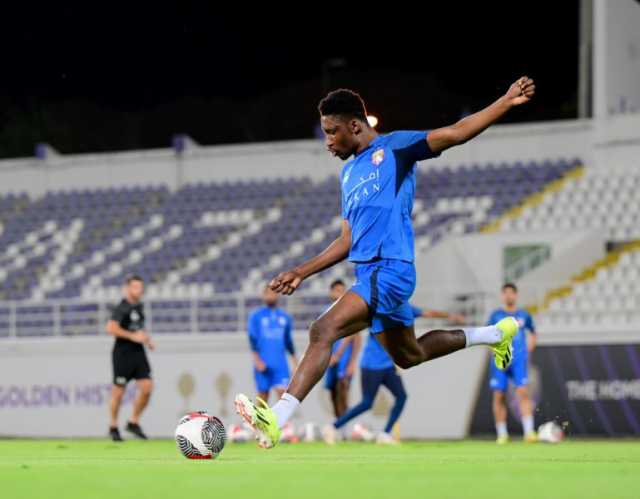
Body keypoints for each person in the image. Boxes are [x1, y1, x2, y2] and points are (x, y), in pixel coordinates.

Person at [235, 76, 536, 448]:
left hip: (390, 271)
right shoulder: (348, 174)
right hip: (370, 274)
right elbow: (347, 240)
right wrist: (301, 271)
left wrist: (505, 101)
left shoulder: (397, 149)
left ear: (355, 126)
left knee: (322, 330)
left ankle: (277, 417)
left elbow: (456, 132)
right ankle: (494, 334)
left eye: (332, 132)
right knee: (410, 355)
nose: (327, 141)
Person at [323, 305, 465, 445]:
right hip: (371, 365)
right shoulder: (380, 310)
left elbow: (429, 313)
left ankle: (385, 434)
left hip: (387, 366)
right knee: (367, 403)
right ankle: (333, 427)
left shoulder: (404, 307)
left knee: (401, 397)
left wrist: (450, 316)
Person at [106, 275, 155, 441]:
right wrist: (131, 336)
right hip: (122, 353)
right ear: (127, 288)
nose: (138, 290)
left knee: (147, 387)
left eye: (140, 287)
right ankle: (113, 426)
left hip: (138, 352)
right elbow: (111, 328)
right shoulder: (122, 307)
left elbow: (139, 329)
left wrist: (147, 340)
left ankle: (133, 421)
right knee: (118, 392)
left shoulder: (139, 307)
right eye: (135, 287)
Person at [488, 283, 537, 444]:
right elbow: (487, 336)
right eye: (506, 293)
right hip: (500, 361)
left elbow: (533, 333)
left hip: (518, 361)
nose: (509, 296)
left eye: (511, 293)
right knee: (498, 395)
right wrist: (496, 353)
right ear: (502, 296)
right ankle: (502, 434)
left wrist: (528, 350)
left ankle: (529, 432)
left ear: (516, 295)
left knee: (523, 393)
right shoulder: (496, 315)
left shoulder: (524, 315)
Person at [248, 286, 297, 403]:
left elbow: (288, 341)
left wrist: (295, 361)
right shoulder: (256, 316)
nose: (270, 296)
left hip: (280, 363)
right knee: (263, 397)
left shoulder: (285, 317)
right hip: (263, 361)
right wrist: (257, 360)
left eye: (273, 293)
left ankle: (280, 422)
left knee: (283, 396)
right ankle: (259, 422)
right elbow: (252, 339)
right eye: (268, 293)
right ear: (263, 296)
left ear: (278, 295)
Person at [324, 279, 362, 418]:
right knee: (332, 391)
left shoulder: (350, 310)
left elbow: (356, 336)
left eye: (343, 291)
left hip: (343, 359)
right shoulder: (326, 312)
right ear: (331, 292)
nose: (341, 294)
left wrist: (351, 361)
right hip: (330, 359)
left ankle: (344, 425)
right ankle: (338, 424)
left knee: (343, 389)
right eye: (338, 290)